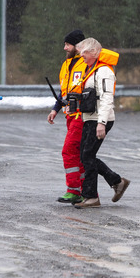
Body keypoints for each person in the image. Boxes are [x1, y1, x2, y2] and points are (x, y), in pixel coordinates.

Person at [71, 38, 130, 209]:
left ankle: (91, 197)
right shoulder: (91, 70)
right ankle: (117, 182)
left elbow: (106, 99)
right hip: (90, 119)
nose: (81, 55)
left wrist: (101, 123)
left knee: (87, 156)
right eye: (81, 51)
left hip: (99, 120)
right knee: (86, 156)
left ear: (95, 52)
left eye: (85, 52)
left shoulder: (104, 71)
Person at [46, 29, 88, 204]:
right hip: (70, 116)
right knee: (80, 154)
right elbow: (65, 93)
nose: (64, 48)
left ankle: (74, 190)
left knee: (69, 151)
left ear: (77, 46)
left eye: (67, 44)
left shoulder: (86, 63)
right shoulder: (66, 65)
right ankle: (87, 190)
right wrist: (55, 108)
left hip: (82, 115)